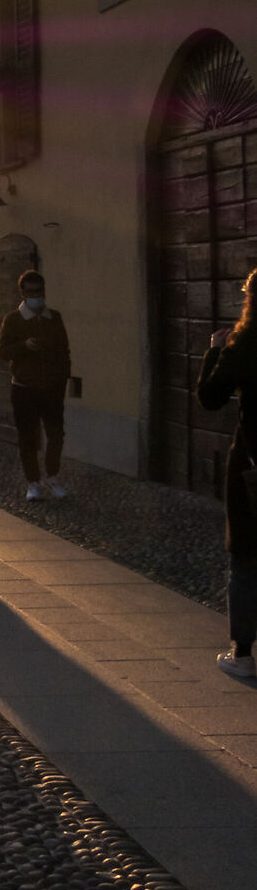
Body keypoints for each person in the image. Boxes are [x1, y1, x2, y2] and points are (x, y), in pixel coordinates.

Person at [199, 270, 257, 681]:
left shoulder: (243, 344)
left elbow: (210, 397)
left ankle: (242, 653)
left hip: (251, 463)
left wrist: (214, 352)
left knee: (246, 556)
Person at [0, 269, 72, 502]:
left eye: (39, 291)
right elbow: (2, 351)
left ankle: (52, 476)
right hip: (23, 387)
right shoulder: (13, 320)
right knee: (27, 438)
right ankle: (33, 483)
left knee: (56, 435)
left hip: (51, 387)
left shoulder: (54, 318)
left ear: (44, 291)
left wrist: (63, 378)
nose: (36, 296)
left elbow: (64, 351)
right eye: (30, 292)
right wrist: (23, 346)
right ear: (22, 292)